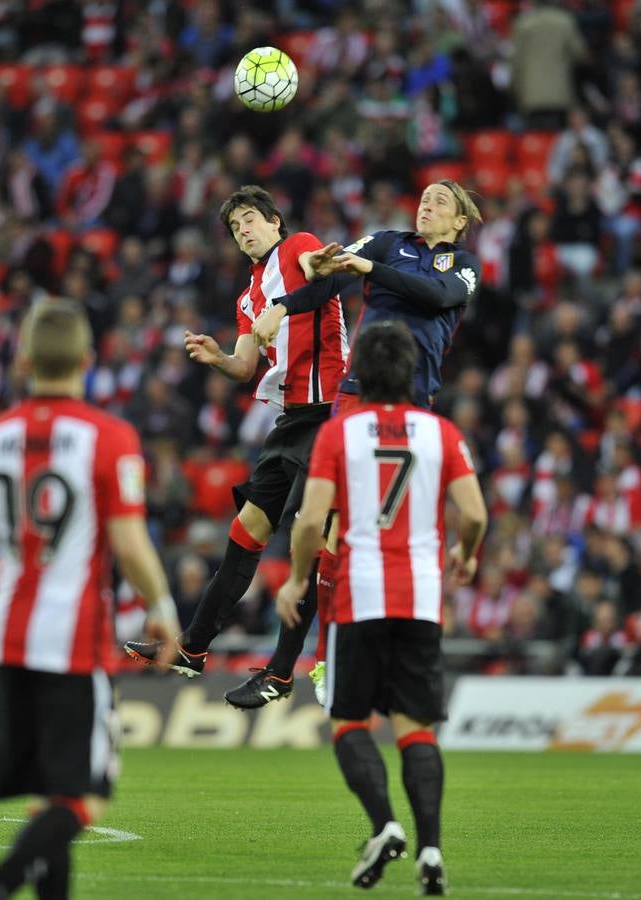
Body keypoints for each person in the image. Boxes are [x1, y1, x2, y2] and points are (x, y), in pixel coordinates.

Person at [0, 300, 181, 900]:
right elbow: (129, 542)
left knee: (48, 800)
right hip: (75, 640)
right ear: (88, 362)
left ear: (24, 361)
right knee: (85, 798)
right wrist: (162, 607)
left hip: (7, 638)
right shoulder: (110, 438)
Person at [274, 321, 487, 894]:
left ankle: (383, 823)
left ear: (360, 373)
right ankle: (433, 851)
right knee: (416, 729)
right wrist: (465, 555)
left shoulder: (340, 433)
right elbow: (475, 513)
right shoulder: (440, 431)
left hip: (358, 596)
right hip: (420, 597)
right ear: (414, 372)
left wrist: (296, 580)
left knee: (349, 721)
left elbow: (311, 521)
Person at [251, 179, 482, 702]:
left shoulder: (463, 266)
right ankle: (326, 661)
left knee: (380, 533)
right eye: (422, 197)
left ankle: (372, 650)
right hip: (355, 395)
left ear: (460, 221)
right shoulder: (384, 241)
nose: (426, 204)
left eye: (440, 201)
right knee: (333, 528)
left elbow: (439, 296)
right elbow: (328, 280)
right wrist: (285, 304)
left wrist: (371, 271)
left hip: (414, 406)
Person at [124, 185, 349, 710]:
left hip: (332, 413)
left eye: (250, 219)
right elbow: (248, 365)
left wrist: (283, 308)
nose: (243, 230)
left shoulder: (301, 249)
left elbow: (327, 285)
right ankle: (192, 649)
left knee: (306, 541)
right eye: (234, 227)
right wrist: (219, 358)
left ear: (275, 222)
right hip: (290, 421)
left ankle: (281, 673)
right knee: (244, 533)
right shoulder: (248, 296)